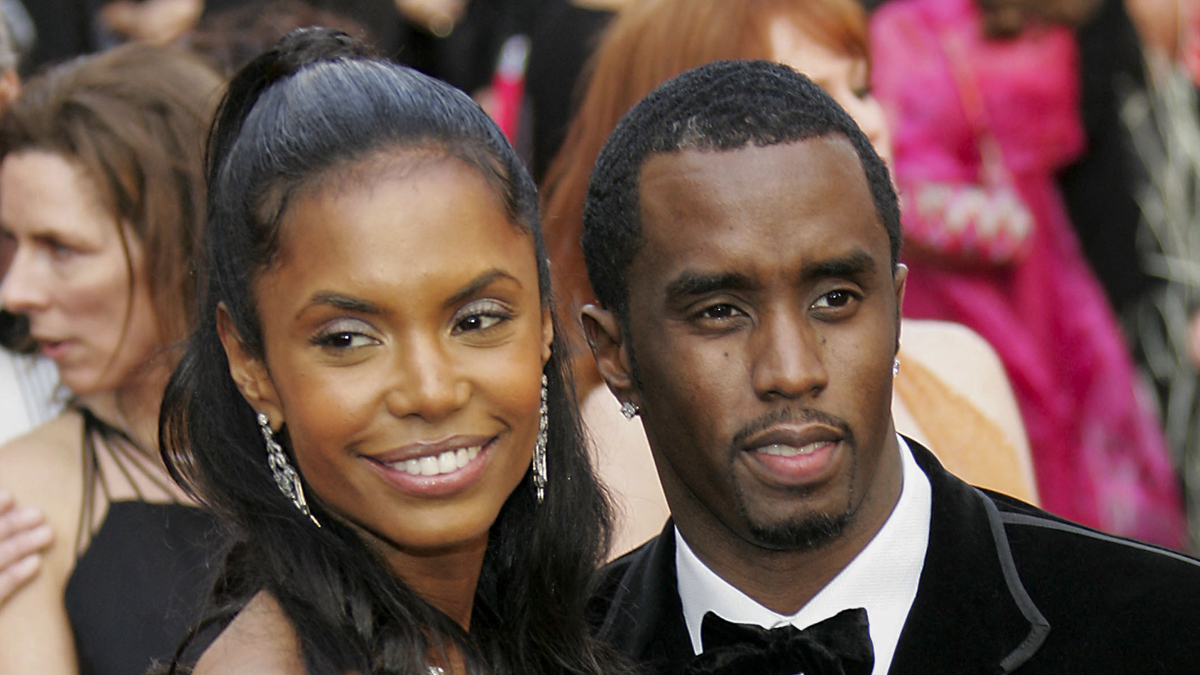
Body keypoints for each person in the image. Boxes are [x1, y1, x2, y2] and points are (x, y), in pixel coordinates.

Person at [582, 59, 1200, 674]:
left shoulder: (1163, 627)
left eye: (835, 300)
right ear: (615, 354)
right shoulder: (548, 652)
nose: (793, 371)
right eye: (721, 310)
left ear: (897, 313)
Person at [159, 27, 634, 674]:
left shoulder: (542, 623)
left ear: (544, 320)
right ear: (251, 364)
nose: (430, 389)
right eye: (348, 338)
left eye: (477, 319)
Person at [541, 0, 1036, 556]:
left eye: (862, 88)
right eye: (813, 96)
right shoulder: (625, 430)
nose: (866, 121)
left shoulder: (965, 368)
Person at [869, 0, 1186, 547]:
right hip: (956, 281)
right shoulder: (910, 29)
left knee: (1059, 421)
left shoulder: (1049, 20)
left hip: (1042, 261)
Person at [0, 43, 225, 674]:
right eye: (11, 244)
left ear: (180, 240)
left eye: (61, 247)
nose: (16, 291)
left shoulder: (321, 450)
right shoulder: (25, 503)